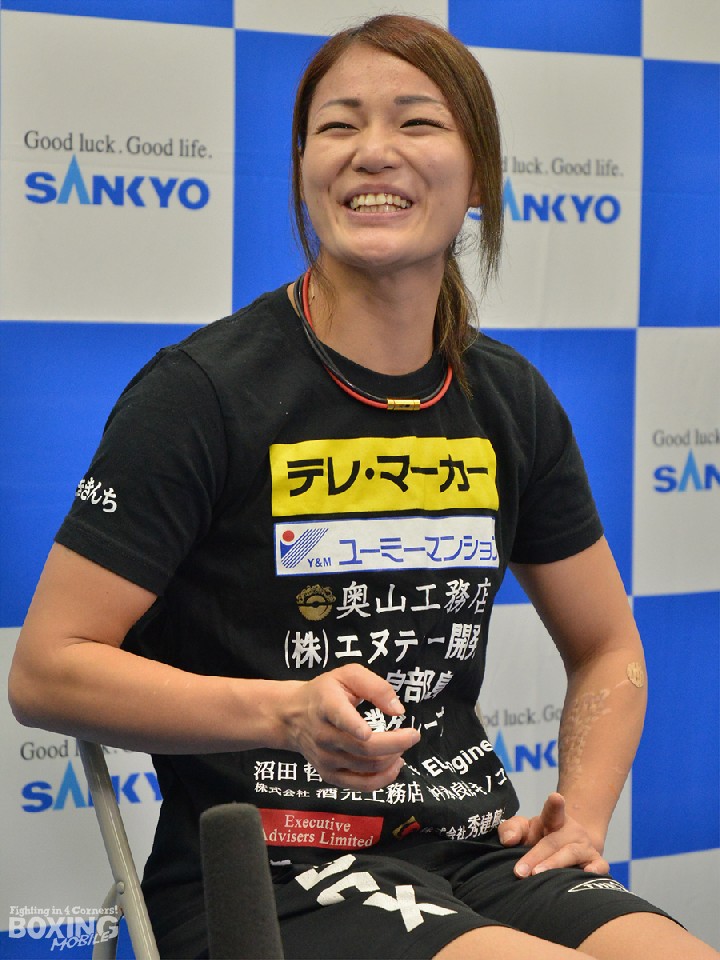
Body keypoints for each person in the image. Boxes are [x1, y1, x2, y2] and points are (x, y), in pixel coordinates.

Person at [8, 14, 719, 960]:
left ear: (480, 176)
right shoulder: (201, 393)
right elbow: (46, 670)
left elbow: (608, 647)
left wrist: (581, 817)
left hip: (476, 849)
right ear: (304, 166)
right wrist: (285, 711)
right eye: (337, 126)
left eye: (416, 122)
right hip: (270, 870)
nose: (372, 151)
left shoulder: (508, 398)